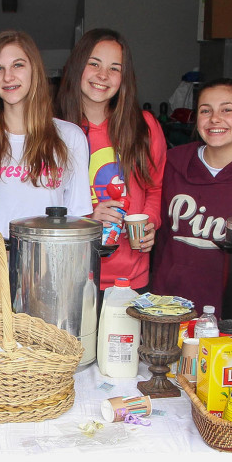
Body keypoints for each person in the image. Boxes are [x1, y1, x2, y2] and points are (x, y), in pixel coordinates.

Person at [0, 30, 92, 310]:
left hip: (53, 281)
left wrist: (35, 261)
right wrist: (11, 251)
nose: (8, 77)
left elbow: (77, 216)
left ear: (34, 71)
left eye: (18, 65)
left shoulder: (70, 137)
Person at [150, 78, 232, 315]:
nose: (215, 119)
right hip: (170, 307)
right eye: (206, 111)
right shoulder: (171, 164)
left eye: (227, 110)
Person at [57, 28, 166, 291]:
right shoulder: (53, 131)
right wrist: (87, 220)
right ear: (76, 67)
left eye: (114, 68)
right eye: (93, 64)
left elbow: (155, 187)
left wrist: (149, 223)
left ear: (124, 78)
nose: (103, 75)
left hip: (131, 280)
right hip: (70, 278)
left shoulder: (145, 126)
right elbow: (43, 206)